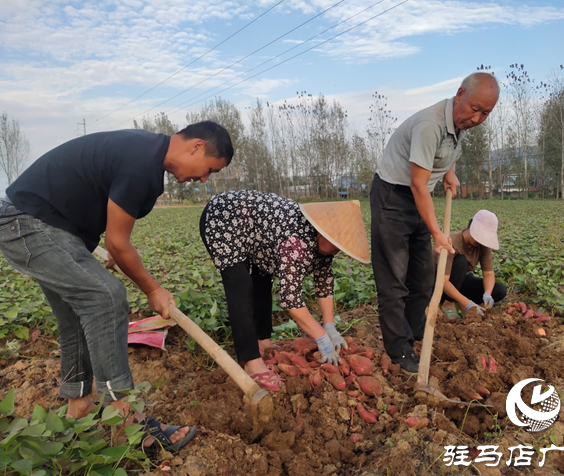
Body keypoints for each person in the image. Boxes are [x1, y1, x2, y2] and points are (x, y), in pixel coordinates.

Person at [0, 121, 234, 453]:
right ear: (196, 146)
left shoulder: (144, 152)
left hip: (38, 222)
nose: (205, 179)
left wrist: (100, 247)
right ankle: (123, 418)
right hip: (29, 222)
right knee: (107, 297)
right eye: (210, 169)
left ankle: (78, 407)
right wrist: (153, 289)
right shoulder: (143, 165)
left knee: (78, 314)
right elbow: (118, 242)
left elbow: (110, 231)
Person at [370, 72, 500, 374]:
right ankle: (399, 351)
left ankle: (416, 335)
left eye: (486, 113)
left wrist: (450, 172)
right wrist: (438, 234)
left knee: (424, 275)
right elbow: (417, 184)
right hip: (394, 196)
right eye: (475, 108)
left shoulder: (457, 124)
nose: (478, 117)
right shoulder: (430, 125)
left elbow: (443, 155)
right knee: (394, 280)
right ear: (460, 95)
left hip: (418, 196)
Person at [200, 190, 370, 392]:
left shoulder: (324, 247)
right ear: (322, 230)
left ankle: (262, 343)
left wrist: (330, 324)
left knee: (262, 281)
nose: (337, 250)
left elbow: (324, 283)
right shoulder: (295, 241)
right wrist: (322, 337)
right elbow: (291, 300)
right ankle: (251, 362)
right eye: (335, 242)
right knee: (241, 287)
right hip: (224, 219)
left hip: (257, 236)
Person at [440, 210, 506, 319]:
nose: (481, 241)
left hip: (458, 284)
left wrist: (487, 294)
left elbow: (488, 274)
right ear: (471, 228)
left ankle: (459, 300)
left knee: (499, 290)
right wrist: (468, 304)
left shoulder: (483, 246)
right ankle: (449, 302)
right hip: (437, 284)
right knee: (461, 261)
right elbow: (443, 280)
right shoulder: (452, 242)